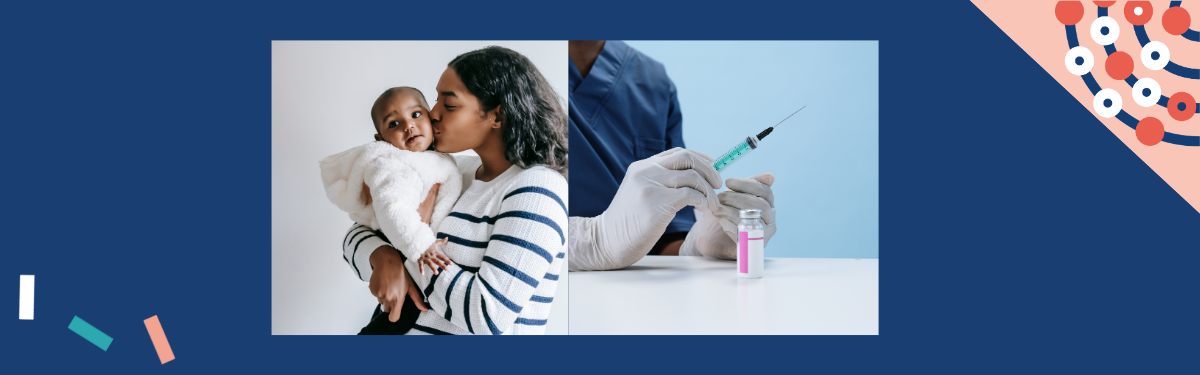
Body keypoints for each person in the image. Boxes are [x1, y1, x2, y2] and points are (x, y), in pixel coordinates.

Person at [342, 46, 569, 335]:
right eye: (435, 99)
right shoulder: (451, 170)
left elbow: (486, 315)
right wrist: (382, 257)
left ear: (496, 117)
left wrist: (415, 246)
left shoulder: (537, 190)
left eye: (449, 105)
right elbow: (358, 231)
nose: (431, 113)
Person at [567, 40, 778, 271]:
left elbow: (667, 241)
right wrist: (593, 241)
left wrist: (697, 246)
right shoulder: (523, 67)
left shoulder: (653, 81)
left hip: (635, 294)